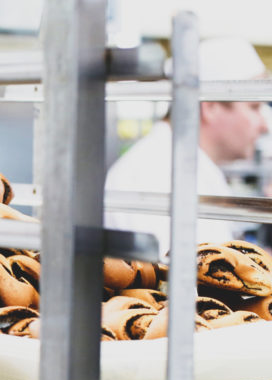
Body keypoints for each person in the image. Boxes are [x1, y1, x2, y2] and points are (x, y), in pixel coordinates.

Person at [105, 37, 270, 256]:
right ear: (210, 106)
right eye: (254, 107)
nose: (265, 125)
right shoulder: (155, 175)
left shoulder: (187, 167)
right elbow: (180, 282)